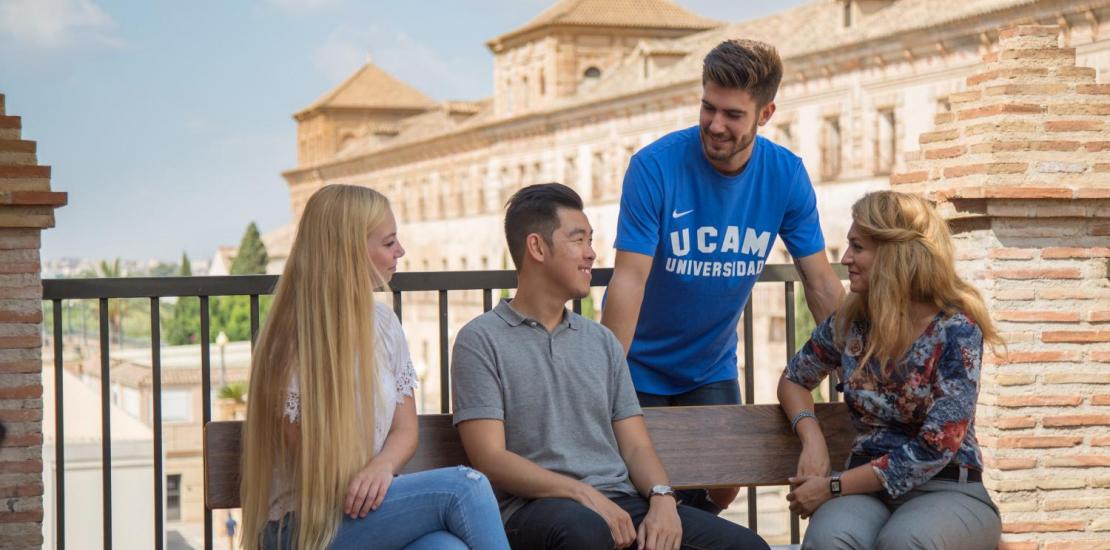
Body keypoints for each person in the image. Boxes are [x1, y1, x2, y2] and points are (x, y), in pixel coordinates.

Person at [451, 183, 769, 550]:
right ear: (537, 247)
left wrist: (663, 499)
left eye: (591, 240)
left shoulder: (601, 342)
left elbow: (635, 446)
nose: (591, 254)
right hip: (534, 509)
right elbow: (490, 458)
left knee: (746, 546)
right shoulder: (481, 339)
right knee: (583, 531)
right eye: (579, 240)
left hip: (619, 503)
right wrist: (583, 494)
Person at [601, 38, 845, 514]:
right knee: (645, 489)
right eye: (707, 108)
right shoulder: (654, 167)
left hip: (710, 365)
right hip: (639, 365)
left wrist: (857, 367)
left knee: (724, 485)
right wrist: (605, 375)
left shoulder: (786, 175)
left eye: (733, 115)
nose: (715, 125)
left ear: (766, 113)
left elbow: (819, 283)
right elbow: (628, 279)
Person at [238, 184, 508, 550]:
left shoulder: (382, 323)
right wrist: (381, 484)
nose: (400, 251)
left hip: (369, 510)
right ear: (349, 250)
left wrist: (382, 467)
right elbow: (319, 473)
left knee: (445, 548)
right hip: (302, 526)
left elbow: (405, 429)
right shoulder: (288, 343)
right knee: (465, 488)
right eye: (388, 242)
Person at [778, 191, 1003, 549]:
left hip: (947, 487)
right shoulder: (851, 322)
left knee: (904, 543)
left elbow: (935, 447)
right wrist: (812, 437)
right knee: (828, 540)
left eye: (858, 247)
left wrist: (833, 486)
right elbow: (794, 379)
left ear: (895, 254)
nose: (847, 258)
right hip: (863, 489)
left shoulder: (956, 329)